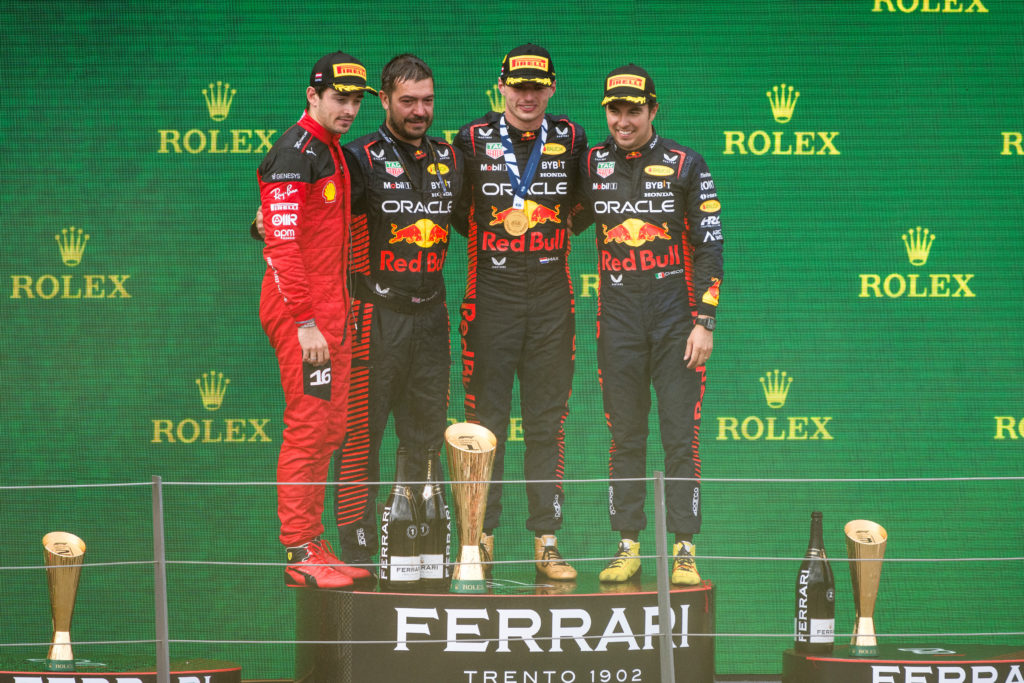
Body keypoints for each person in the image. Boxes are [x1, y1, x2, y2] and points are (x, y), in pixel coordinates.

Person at [579, 64, 723, 585]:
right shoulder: (590, 162)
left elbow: (710, 246)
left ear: (653, 110)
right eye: (614, 110)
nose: (623, 120)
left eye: (633, 110)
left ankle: (685, 548)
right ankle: (628, 544)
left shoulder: (688, 163)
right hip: (616, 314)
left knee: (680, 435)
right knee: (625, 436)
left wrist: (704, 321)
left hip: (674, 315)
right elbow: (563, 215)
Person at [453, 44, 591, 581]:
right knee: (484, 424)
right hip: (492, 291)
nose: (528, 95)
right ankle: (478, 539)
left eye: (538, 86)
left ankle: (547, 541)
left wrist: (545, 230)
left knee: (545, 423)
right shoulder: (470, 138)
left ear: (551, 88)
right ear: (502, 86)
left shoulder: (571, 137)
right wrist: (498, 236)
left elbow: (588, 202)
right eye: (519, 85)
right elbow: (453, 203)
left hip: (552, 294)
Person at [332, 54, 463, 573]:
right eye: (408, 101)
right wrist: (264, 223)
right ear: (383, 100)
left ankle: (418, 550)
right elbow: (319, 214)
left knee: (426, 434)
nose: (419, 111)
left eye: (427, 100)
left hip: (431, 317)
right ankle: (357, 550)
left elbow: (485, 223)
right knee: (362, 434)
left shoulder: (449, 157)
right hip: (374, 315)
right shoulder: (356, 157)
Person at [256, 51, 375, 589]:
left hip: (333, 313)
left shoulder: (334, 153)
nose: (348, 109)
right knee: (308, 429)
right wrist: (305, 321)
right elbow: (281, 241)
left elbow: (277, 223)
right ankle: (299, 547)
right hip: (303, 315)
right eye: (339, 98)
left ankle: (313, 541)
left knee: (330, 428)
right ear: (313, 96)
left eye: (355, 100)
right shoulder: (295, 150)